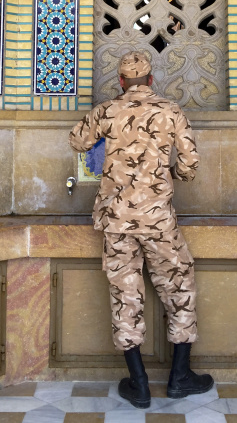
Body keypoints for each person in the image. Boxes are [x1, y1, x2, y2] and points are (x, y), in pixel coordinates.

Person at [69, 50, 213, 409]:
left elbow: (77, 141)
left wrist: (107, 150)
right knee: (179, 287)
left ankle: (139, 384)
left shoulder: (105, 111)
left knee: (125, 296)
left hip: (116, 222)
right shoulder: (170, 111)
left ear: (121, 82)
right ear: (151, 80)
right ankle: (180, 377)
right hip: (159, 221)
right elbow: (190, 164)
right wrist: (168, 177)